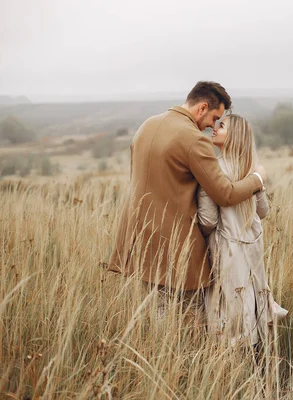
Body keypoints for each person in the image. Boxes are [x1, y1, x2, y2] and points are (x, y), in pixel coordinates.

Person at [108, 82, 266, 319]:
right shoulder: (194, 140)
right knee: (191, 322)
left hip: (140, 242)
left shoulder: (146, 126)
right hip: (176, 249)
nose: (212, 126)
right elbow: (225, 194)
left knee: (157, 316)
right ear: (202, 108)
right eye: (214, 118)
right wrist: (257, 179)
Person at [197, 114, 287, 346]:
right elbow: (263, 211)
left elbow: (207, 220)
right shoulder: (252, 171)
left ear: (234, 136)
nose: (215, 128)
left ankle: (232, 361)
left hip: (227, 247)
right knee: (253, 297)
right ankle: (260, 355)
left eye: (222, 126)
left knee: (228, 304)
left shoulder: (213, 170)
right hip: (253, 245)